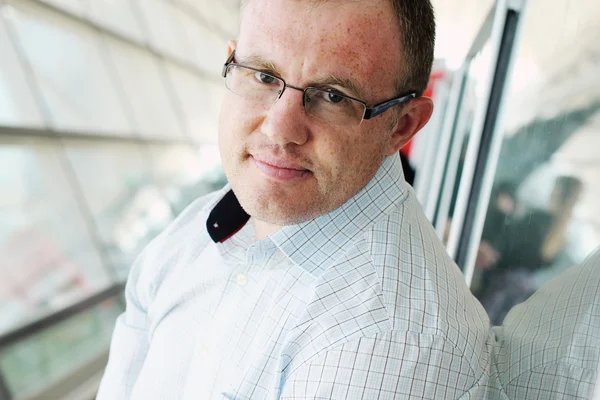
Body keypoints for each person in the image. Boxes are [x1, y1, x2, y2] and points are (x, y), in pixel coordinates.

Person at [97, 0, 490, 398]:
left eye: (334, 96)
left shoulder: (393, 341)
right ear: (232, 62)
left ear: (402, 126)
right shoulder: (199, 226)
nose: (279, 129)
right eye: (265, 76)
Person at [476, 176, 583, 325]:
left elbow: (510, 243)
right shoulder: (561, 236)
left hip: (502, 281)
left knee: (478, 322)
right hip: (522, 288)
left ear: (558, 192)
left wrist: (502, 213)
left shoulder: (539, 220)